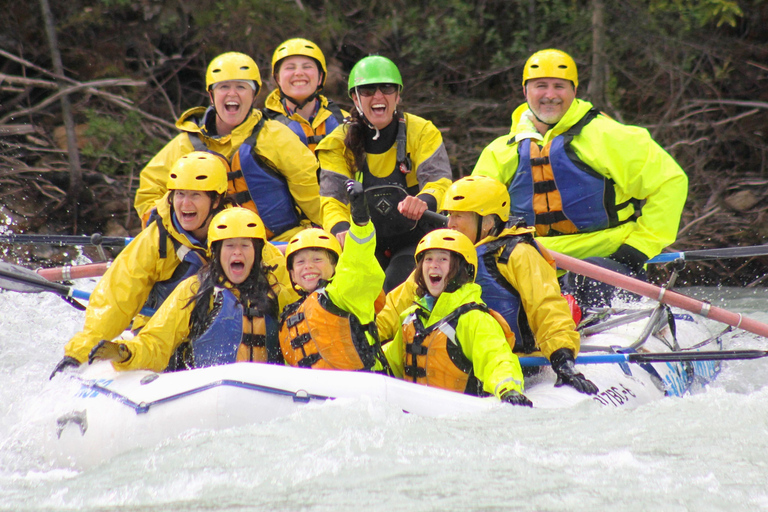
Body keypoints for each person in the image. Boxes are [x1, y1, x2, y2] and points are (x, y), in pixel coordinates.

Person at [472, 48, 688, 305]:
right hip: (528, 262)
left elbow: (670, 182)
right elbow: (473, 212)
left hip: (605, 260)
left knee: (589, 284)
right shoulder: (500, 152)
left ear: (574, 91)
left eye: (559, 86)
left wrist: (637, 250)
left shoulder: (609, 136)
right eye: (541, 86)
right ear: (525, 91)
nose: (550, 95)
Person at [52, 154, 295, 378]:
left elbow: (292, 296)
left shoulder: (243, 233)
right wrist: (80, 351)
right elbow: (115, 301)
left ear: (216, 199)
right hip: (161, 332)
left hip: (231, 337)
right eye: (179, 194)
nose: (185, 204)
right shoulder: (155, 241)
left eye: (195, 195)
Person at [377, 176, 597, 394]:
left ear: (489, 222)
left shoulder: (516, 254)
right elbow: (396, 306)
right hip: (456, 366)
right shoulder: (443, 256)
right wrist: (367, 336)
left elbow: (546, 307)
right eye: (449, 215)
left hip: (516, 364)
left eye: (459, 216)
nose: (450, 224)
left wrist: (562, 359)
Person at [134, 51, 322, 242]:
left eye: (241, 87)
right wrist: (171, 228)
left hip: (279, 243)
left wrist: (333, 229)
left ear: (254, 94)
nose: (232, 94)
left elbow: (312, 193)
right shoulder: (187, 145)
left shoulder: (276, 137)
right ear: (211, 95)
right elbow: (149, 193)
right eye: (224, 87)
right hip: (213, 250)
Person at [89, 208, 289, 372]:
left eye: (245, 246)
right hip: (205, 387)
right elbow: (157, 341)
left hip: (266, 387)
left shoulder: (276, 289)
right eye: (229, 246)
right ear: (216, 253)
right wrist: (125, 353)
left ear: (257, 252)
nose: (237, 252)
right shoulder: (195, 290)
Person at [316, 55, 452, 291]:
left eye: (387, 88)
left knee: (394, 285)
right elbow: (332, 200)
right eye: (368, 90)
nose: (378, 97)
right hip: (363, 243)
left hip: (414, 240)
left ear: (397, 95)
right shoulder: (336, 143)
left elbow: (439, 181)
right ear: (355, 98)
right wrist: (340, 229)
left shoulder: (422, 132)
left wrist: (423, 200)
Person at [383, 229, 532, 406]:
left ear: (462, 268)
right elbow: (391, 362)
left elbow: (496, 358)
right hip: (415, 414)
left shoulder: (474, 318)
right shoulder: (410, 318)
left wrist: (509, 389)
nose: (433, 265)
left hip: (458, 416)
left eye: (443, 259)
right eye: (428, 259)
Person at [279, 180, 389, 372]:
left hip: (362, 388)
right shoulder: (289, 315)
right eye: (301, 262)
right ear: (292, 274)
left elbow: (358, 257)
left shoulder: (344, 293)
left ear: (334, 266)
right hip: (315, 395)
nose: (309, 267)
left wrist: (361, 221)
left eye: (317, 259)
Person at [263, 38, 348, 152]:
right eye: (290, 67)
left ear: (320, 77)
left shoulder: (344, 120)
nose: (298, 73)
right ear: (278, 79)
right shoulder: (263, 126)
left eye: (307, 67)